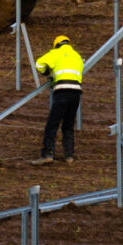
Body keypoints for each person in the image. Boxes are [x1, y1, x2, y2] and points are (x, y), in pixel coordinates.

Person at [32, 35, 84, 165]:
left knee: (52, 124)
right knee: (68, 125)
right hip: (76, 92)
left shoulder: (55, 53)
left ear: (56, 44)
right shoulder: (76, 55)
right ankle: (69, 156)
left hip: (62, 90)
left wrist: (47, 73)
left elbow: (38, 64)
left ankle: (47, 154)